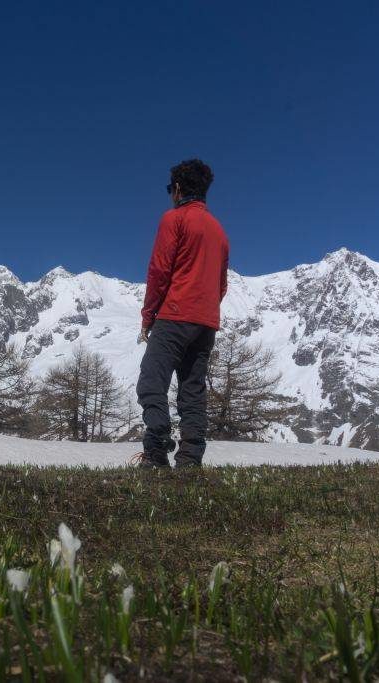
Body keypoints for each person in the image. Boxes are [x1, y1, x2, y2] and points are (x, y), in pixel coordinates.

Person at [136, 159, 229, 469]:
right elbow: (221, 285)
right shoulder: (219, 231)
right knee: (192, 390)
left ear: (177, 189)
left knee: (151, 380)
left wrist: (149, 316)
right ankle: (190, 460)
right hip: (206, 323)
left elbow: (159, 270)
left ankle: (157, 450)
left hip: (175, 314)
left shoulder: (174, 219)